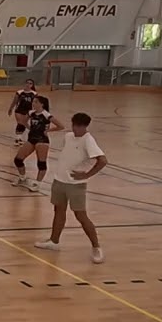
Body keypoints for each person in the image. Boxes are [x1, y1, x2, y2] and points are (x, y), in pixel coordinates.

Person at [36, 112, 106, 264]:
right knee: (58, 211)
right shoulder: (68, 137)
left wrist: (87, 175)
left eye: (79, 127)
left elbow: (102, 160)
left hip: (75, 185)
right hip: (59, 180)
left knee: (81, 216)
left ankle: (96, 247)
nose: (75, 129)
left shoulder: (88, 140)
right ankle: (54, 241)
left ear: (85, 127)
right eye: (74, 125)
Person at [13, 96, 62, 192]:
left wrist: (48, 130)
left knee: (41, 163)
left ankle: (37, 184)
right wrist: (29, 128)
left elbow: (61, 126)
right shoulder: (31, 113)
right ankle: (22, 178)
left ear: (41, 104)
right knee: (18, 160)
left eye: (35, 102)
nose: (33, 103)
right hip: (31, 139)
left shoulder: (46, 115)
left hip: (42, 140)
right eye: (33, 102)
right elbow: (23, 121)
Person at [8, 79, 39, 146]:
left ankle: (20, 138)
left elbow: (36, 103)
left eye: (30, 83)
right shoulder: (19, 92)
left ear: (32, 85)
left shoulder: (34, 93)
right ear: (25, 84)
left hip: (28, 111)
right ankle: (17, 138)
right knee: (20, 123)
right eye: (27, 83)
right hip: (19, 110)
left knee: (23, 124)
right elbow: (15, 101)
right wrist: (10, 109)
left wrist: (36, 111)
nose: (28, 85)